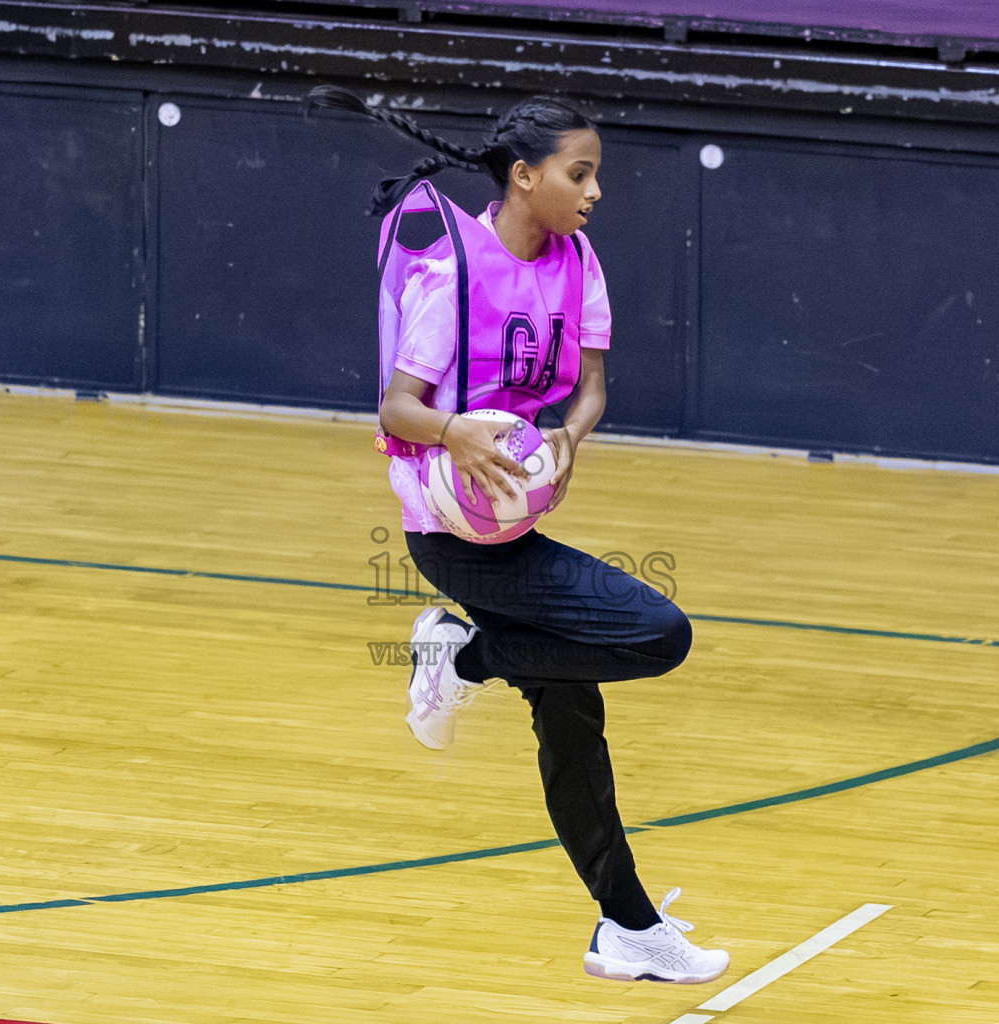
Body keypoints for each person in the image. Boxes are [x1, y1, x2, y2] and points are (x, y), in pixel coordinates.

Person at [309, 86, 729, 984]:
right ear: (525, 175)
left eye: (596, 175)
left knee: (572, 704)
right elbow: (396, 407)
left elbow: (592, 388)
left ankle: (629, 928)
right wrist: (457, 430)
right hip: (454, 533)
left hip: (518, 523)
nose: (594, 191)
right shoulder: (454, 273)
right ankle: (463, 660)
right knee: (659, 634)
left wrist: (570, 440)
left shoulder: (579, 263)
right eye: (580, 174)